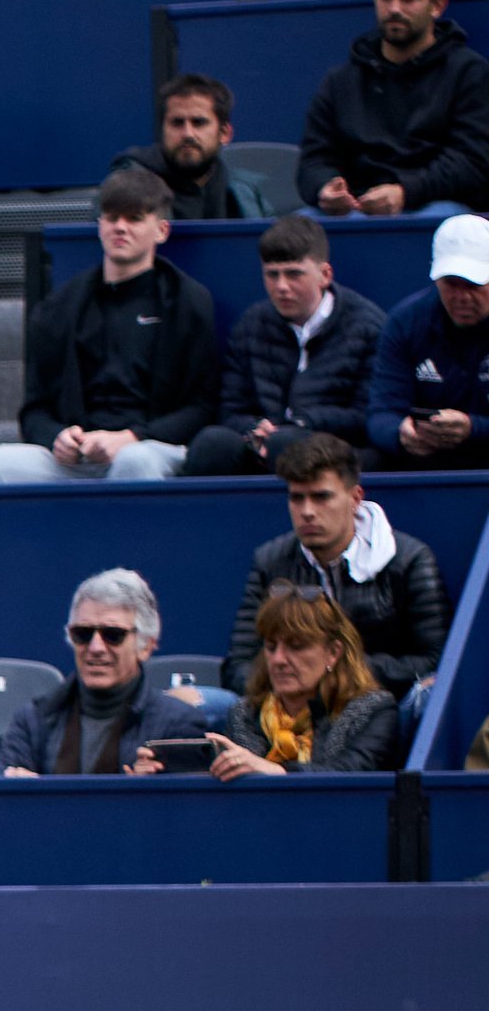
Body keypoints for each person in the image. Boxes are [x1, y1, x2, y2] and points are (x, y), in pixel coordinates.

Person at [0, 168, 218, 485]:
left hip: (151, 448)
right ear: (99, 225)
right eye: (111, 217)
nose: (120, 227)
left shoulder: (188, 301)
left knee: (135, 462)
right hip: (76, 456)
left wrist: (132, 437)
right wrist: (57, 437)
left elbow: (202, 407)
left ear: (161, 230)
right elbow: (34, 410)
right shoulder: (59, 307)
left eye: (135, 219)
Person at [228, 434, 451, 696]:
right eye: (297, 498)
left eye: (321, 497)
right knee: (206, 704)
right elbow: (238, 666)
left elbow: (436, 661)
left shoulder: (408, 559)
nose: (307, 511)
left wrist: (335, 673)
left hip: (381, 702)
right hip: (290, 706)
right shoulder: (269, 560)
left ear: (355, 498)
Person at [303, 0, 489, 218]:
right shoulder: (340, 81)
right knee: (300, 227)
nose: (394, 8)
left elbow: (472, 163)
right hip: (358, 208)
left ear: (437, 5)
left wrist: (405, 191)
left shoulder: (470, 73)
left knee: (441, 220)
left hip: (436, 204)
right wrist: (324, 188)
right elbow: (313, 160)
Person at [190, 217, 381, 478]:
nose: (281, 287)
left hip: (337, 450)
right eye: (272, 275)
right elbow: (230, 408)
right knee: (213, 443)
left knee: (287, 445)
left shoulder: (369, 327)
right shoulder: (251, 324)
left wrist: (302, 423)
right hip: (265, 444)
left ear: (324, 274)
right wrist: (255, 428)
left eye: (293, 274)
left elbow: (367, 417)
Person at [193, 591, 409, 778]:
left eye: (296, 646)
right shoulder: (245, 714)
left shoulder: (373, 709)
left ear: (333, 653)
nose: (278, 660)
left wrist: (276, 771)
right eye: (271, 647)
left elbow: (352, 772)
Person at [0, 570, 175, 777]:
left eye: (113, 635)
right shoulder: (34, 720)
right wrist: (15, 787)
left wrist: (145, 793)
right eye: (83, 634)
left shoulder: (175, 724)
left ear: (146, 646)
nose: (96, 647)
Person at [113, 75, 273, 225]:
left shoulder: (243, 191)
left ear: (224, 133)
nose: (187, 134)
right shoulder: (130, 182)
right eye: (177, 123)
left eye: (198, 122)